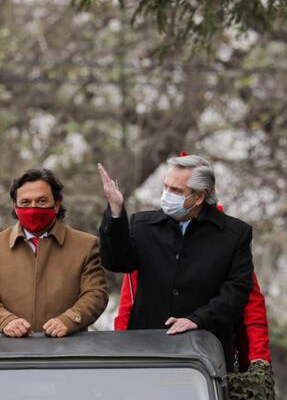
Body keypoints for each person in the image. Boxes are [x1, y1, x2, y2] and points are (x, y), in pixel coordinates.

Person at [98, 153, 253, 371]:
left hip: (203, 356)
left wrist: (197, 319)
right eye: (166, 187)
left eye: (177, 191)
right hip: (146, 350)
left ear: (199, 197)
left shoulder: (234, 234)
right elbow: (116, 262)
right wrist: (115, 212)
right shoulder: (144, 224)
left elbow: (237, 292)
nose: (167, 195)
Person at [115, 205, 272, 371]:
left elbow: (252, 312)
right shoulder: (152, 243)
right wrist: (121, 351)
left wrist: (259, 361)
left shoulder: (230, 248)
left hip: (209, 355)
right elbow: (128, 304)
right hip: (151, 350)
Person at [0, 168, 108, 337]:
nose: (33, 208)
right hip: (9, 352)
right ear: (15, 207)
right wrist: (5, 321)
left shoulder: (85, 245)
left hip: (68, 351)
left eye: (42, 201)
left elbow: (96, 293)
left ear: (57, 204)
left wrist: (68, 320)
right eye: (25, 202)